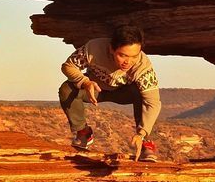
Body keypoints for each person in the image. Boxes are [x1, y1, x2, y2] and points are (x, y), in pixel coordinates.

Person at [58, 24, 161, 162]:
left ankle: (145, 143)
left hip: (123, 93)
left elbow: (153, 102)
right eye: (122, 55)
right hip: (95, 90)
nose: (128, 62)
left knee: (143, 95)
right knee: (67, 89)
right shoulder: (93, 49)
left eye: (134, 56)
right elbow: (68, 66)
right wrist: (85, 82)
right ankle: (83, 132)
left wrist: (141, 134)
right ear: (112, 49)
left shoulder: (143, 66)